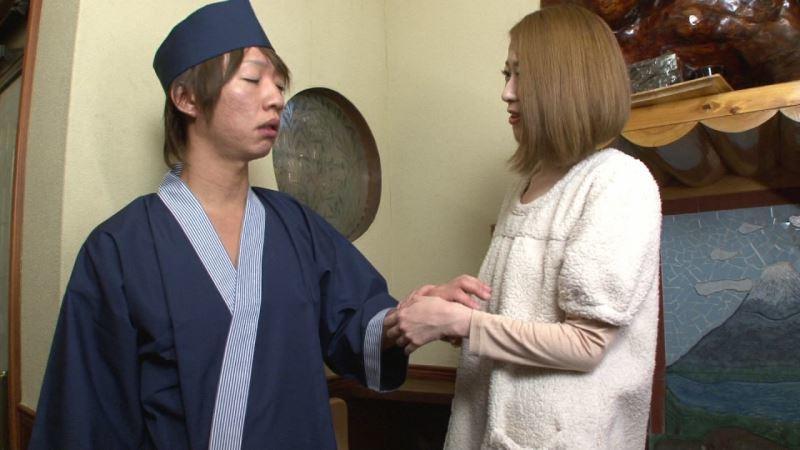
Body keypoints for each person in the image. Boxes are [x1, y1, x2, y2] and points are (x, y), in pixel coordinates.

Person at [28, 2, 488, 449]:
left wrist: (401, 320)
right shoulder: (118, 249)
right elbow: (88, 417)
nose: (276, 98)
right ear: (186, 98)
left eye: (279, 84)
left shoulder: (296, 226)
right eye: (252, 79)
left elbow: (353, 321)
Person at [389, 5, 662, 449]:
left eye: (521, 75)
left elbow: (586, 345)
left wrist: (463, 322)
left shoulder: (619, 182)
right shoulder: (524, 186)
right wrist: (453, 317)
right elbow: (525, 320)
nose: (506, 93)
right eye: (506, 74)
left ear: (566, 83)